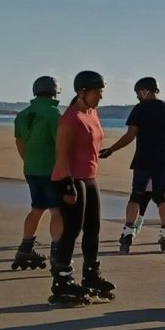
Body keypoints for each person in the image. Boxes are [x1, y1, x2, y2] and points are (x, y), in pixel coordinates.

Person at [48, 71, 114, 306]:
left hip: (89, 178)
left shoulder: (91, 113)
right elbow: (61, 153)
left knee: (93, 228)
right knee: (71, 230)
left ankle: (90, 275)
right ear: (81, 92)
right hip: (70, 178)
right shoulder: (70, 118)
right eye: (97, 92)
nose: (100, 96)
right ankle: (62, 280)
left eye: (101, 92)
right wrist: (67, 186)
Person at [102, 77, 165, 254]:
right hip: (162, 160)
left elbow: (130, 135)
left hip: (143, 158)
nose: (137, 96)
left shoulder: (139, 109)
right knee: (161, 197)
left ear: (144, 91)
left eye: (137, 93)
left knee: (136, 196)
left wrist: (111, 149)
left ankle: (128, 232)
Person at [11, 76, 63, 271]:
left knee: (37, 208)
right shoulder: (54, 114)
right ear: (55, 92)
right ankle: (57, 252)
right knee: (57, 210)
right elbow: (60, 144)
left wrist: (28, 160)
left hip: (31, 169)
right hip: (51, 170)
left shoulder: (23, 114)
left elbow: (19, 142)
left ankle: (25, 248)